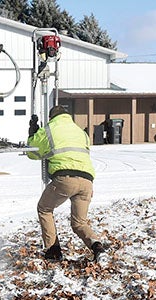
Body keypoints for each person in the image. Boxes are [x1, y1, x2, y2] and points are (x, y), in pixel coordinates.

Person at [27, 105, 106, 262]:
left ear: (51, 117)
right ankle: (97, 246)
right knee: (79, 223)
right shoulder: (80, 132)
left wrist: (33, 133)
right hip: (87, 181)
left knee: (44, 209)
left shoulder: (49, 129)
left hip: (65, 179)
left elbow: (32, 152)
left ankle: (53, 250)